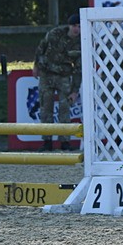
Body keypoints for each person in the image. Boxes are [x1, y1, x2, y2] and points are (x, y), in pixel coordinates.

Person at [33, 12, 82, 151]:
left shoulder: (81, 42)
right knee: (45, 109)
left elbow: (79, 68)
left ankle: (65, 143)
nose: (76, 29)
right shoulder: (55, 33)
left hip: (63, 76)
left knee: (65, 109)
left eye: (79, 26)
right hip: (46, 73)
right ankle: (47, 142)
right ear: (69, 25)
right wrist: (36, 65)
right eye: (74, 25)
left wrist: (74, 90)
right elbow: (41, 47)